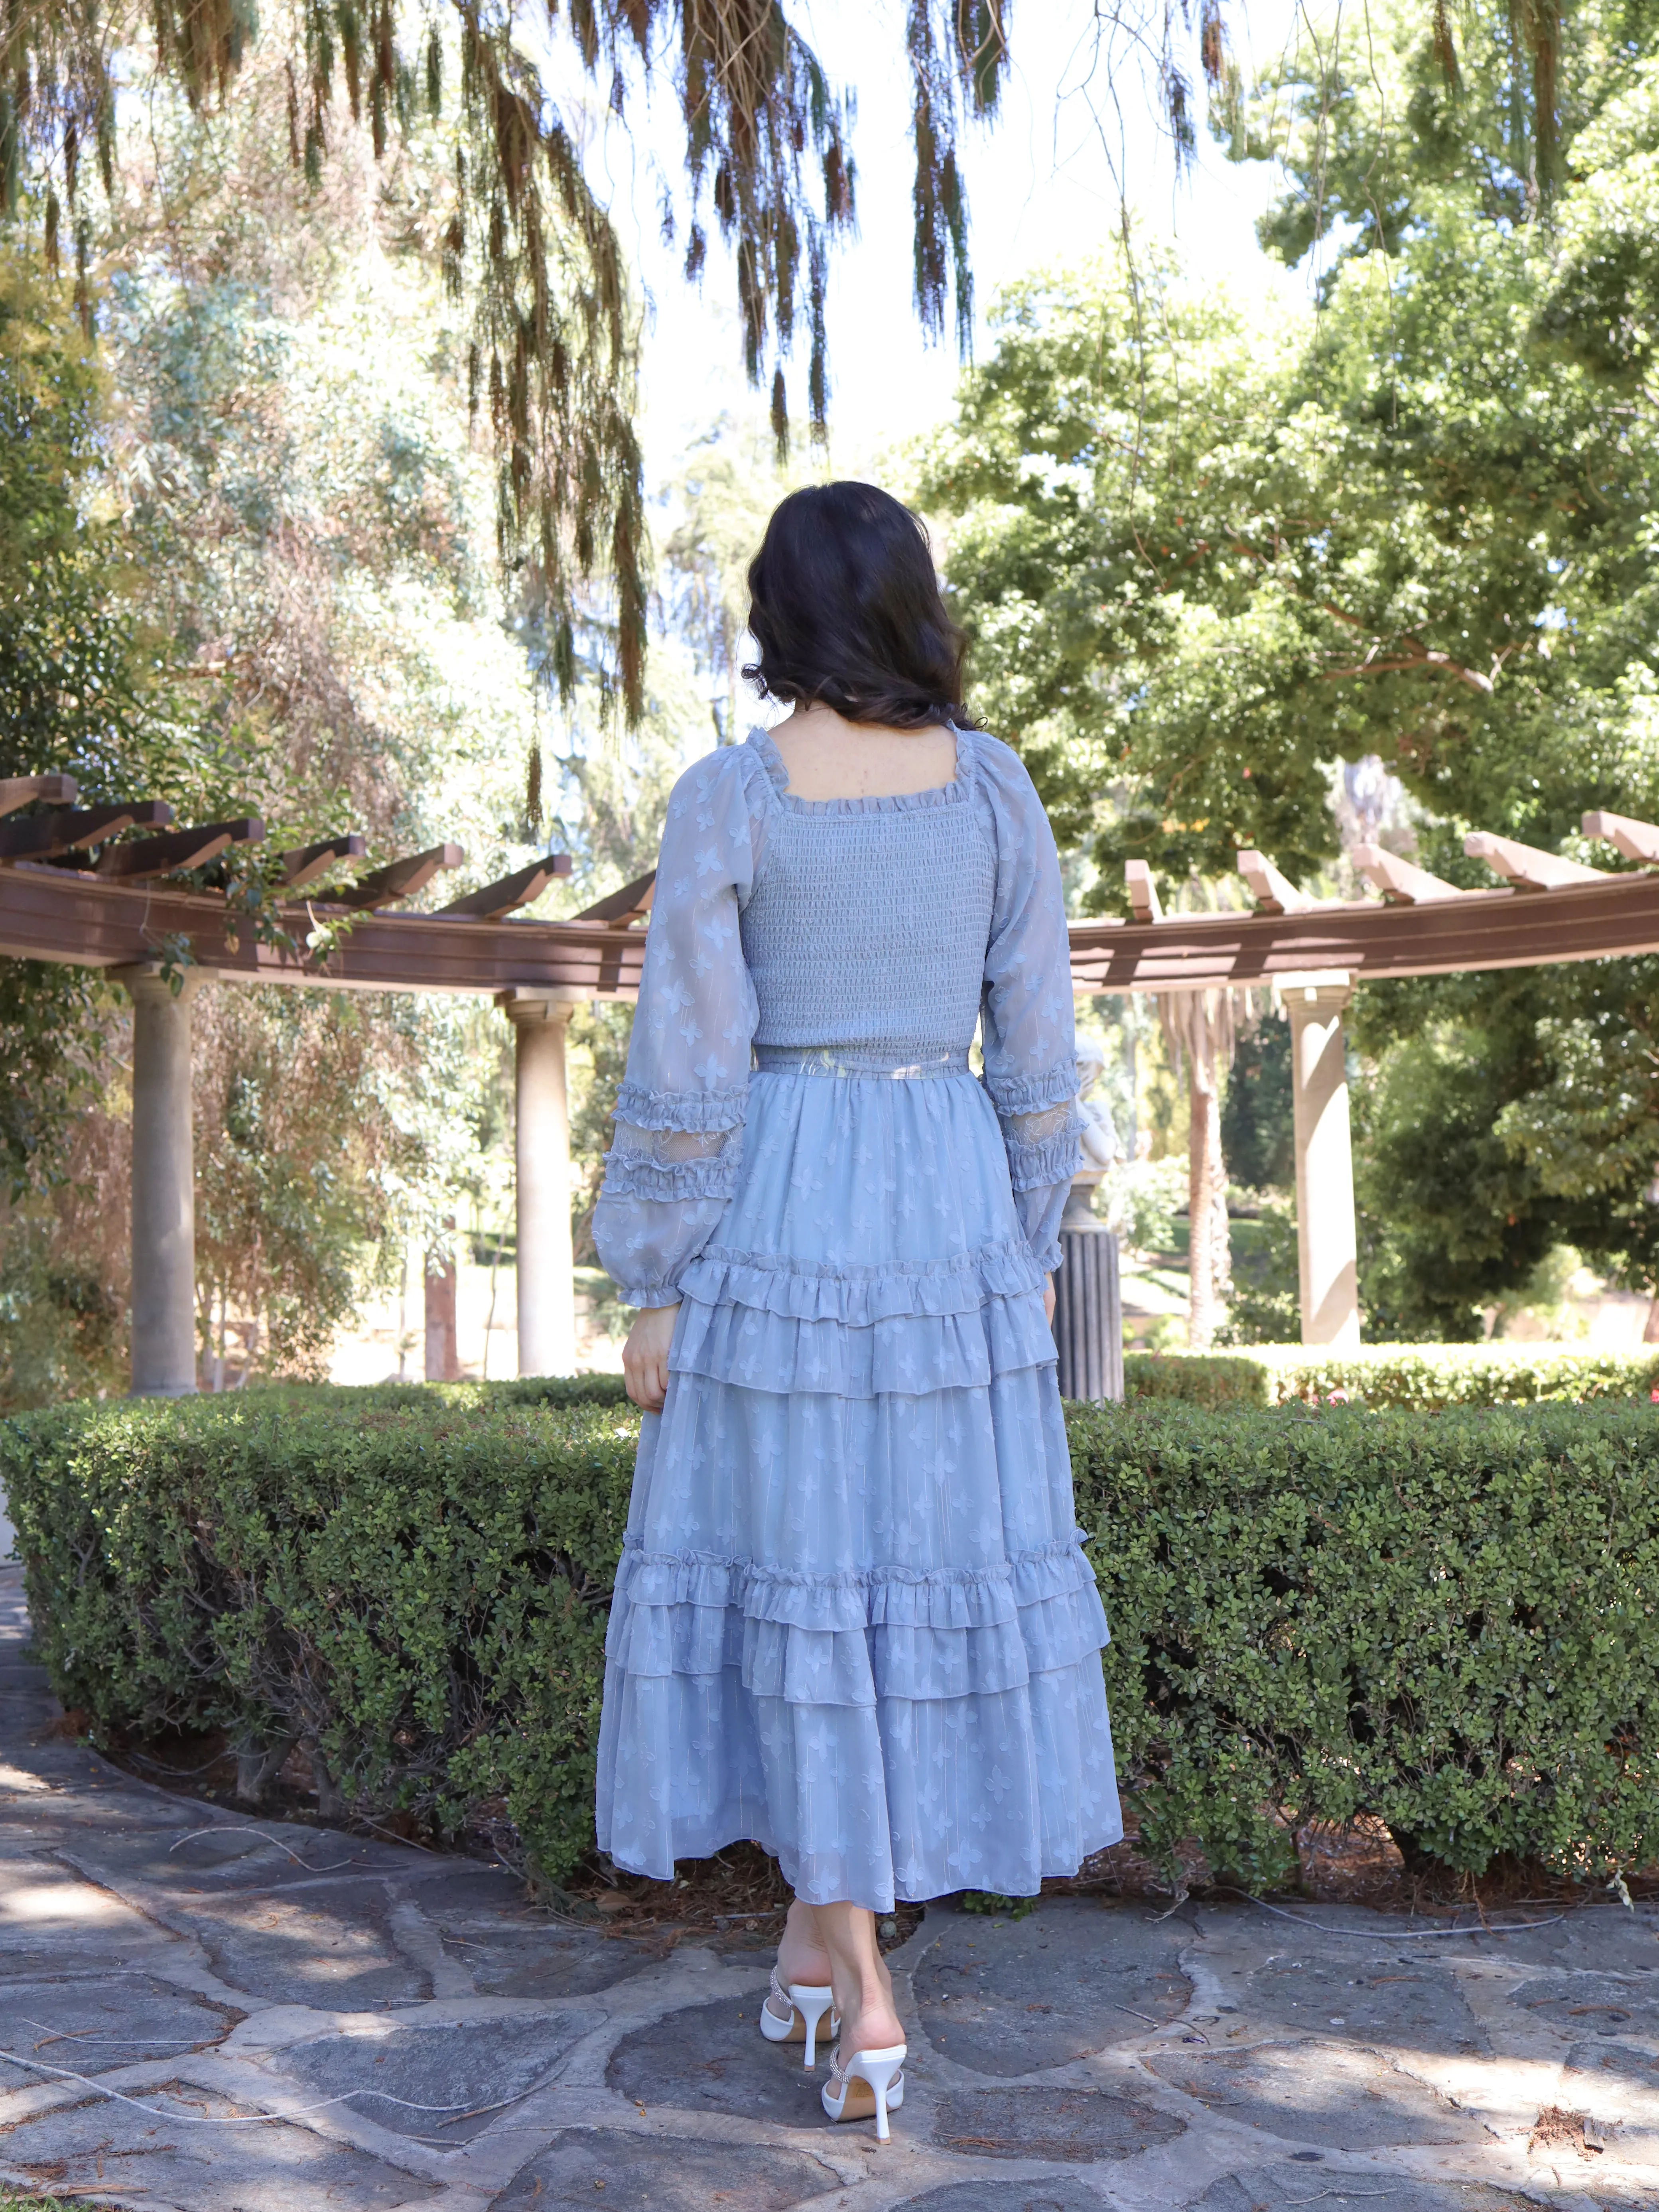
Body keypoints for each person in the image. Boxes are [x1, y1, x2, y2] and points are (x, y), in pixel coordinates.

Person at [591, 481, 1122, 2140]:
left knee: (796, 1577)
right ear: (910, 603)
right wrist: (1023, 1243)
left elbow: (686, 1054)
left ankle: (862, 1987)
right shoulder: (992, 791)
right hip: (948, 1200)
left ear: (776, 613)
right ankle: (822, 1956)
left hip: (782, 1198)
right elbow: (1037, 1046)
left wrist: (659, 1279)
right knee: (899, 1581)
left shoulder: (730, 799)